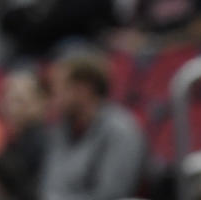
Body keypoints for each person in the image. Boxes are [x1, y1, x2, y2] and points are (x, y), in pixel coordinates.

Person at [39, 50, 146, 200]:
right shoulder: (61, 129)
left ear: (83, 89)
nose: (53, 97)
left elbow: (111, 195)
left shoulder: (120, 130)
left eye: (58, 88)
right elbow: (49, 186)